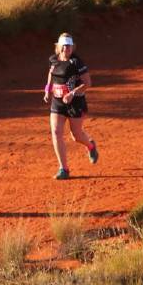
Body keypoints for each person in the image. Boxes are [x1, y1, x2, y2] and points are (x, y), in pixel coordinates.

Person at [44, 33, 98, 180]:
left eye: (69, 46)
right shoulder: (54, 60)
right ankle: (64, 169)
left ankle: (91, 146)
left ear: (73, 46)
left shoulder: (77, 62)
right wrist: (48, 89)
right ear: (59, 46)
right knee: (56, 131)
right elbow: (51, 74)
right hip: (58, 101)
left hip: (75, 102)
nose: (67, 48)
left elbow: (87, 83)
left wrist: (72, 93)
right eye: (65, 45)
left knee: (76, 135)